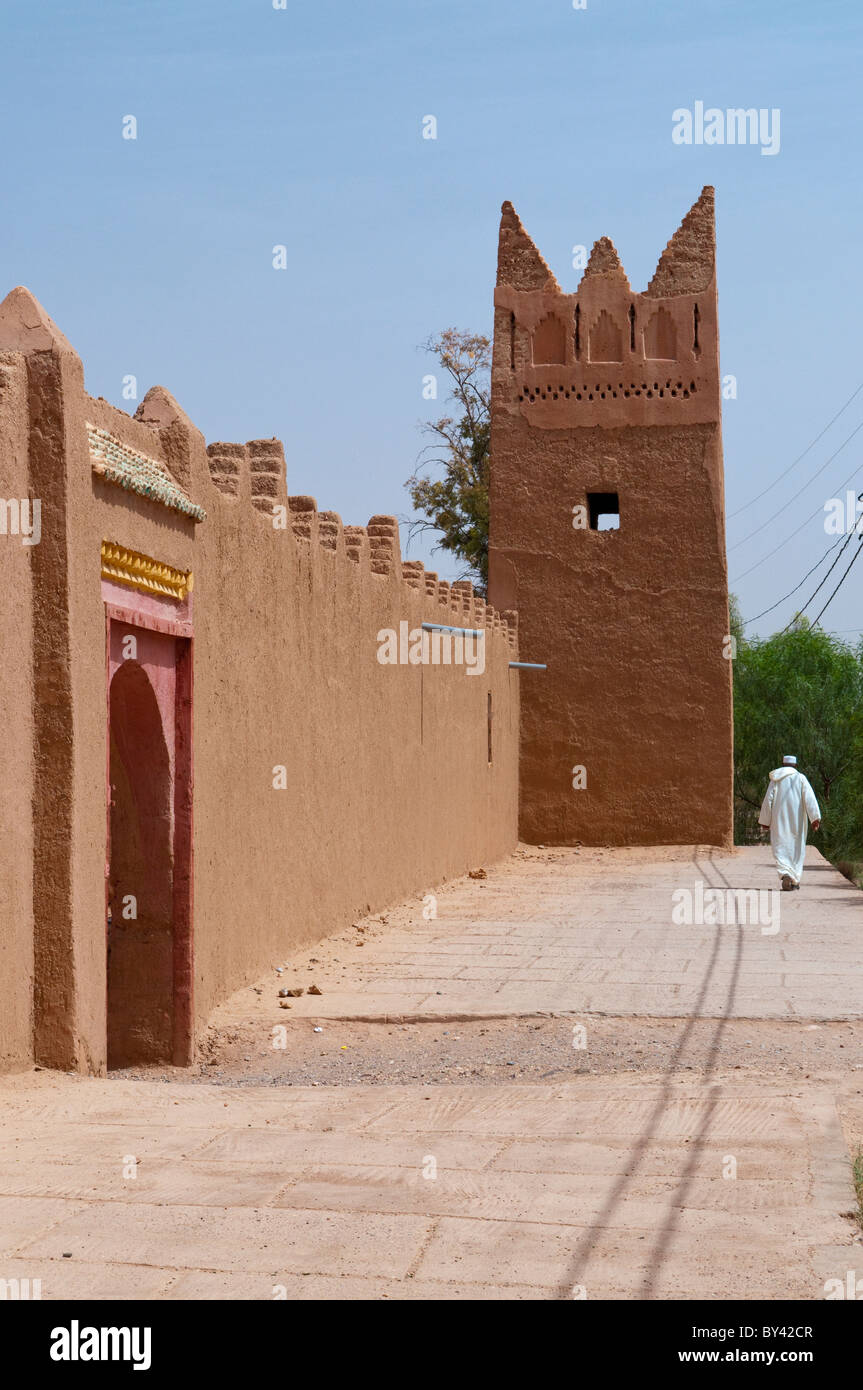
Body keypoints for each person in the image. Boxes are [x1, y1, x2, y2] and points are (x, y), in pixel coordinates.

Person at [758, 755, 821, 891]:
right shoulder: (801, 778)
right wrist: (814, 818)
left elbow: (768, 800)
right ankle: (795, 879)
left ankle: (785, 873)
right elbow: (810, 798)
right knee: (797, 849)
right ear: (795, 766)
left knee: (780, 847)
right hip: (797, 823)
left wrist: (765, 821)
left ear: (782, 764)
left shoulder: (775, 780)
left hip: (779, 822)